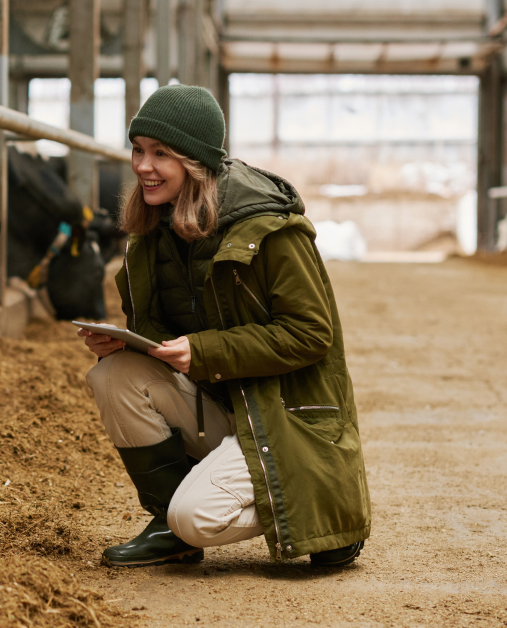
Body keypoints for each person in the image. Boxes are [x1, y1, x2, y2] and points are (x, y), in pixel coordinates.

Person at [79, 85, 370, 568]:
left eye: (160, 154)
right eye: (137, 150)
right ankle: (171, 527)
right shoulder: (153, 232)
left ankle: (322, 515)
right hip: (221, 404)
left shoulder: (272, 229)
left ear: (195, 162)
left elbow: (312, 332)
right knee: (114, 376)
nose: (141, 166)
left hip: (282, 415)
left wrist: (205, 350)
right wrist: (127, 343)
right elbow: (164, 337)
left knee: (194, 516)